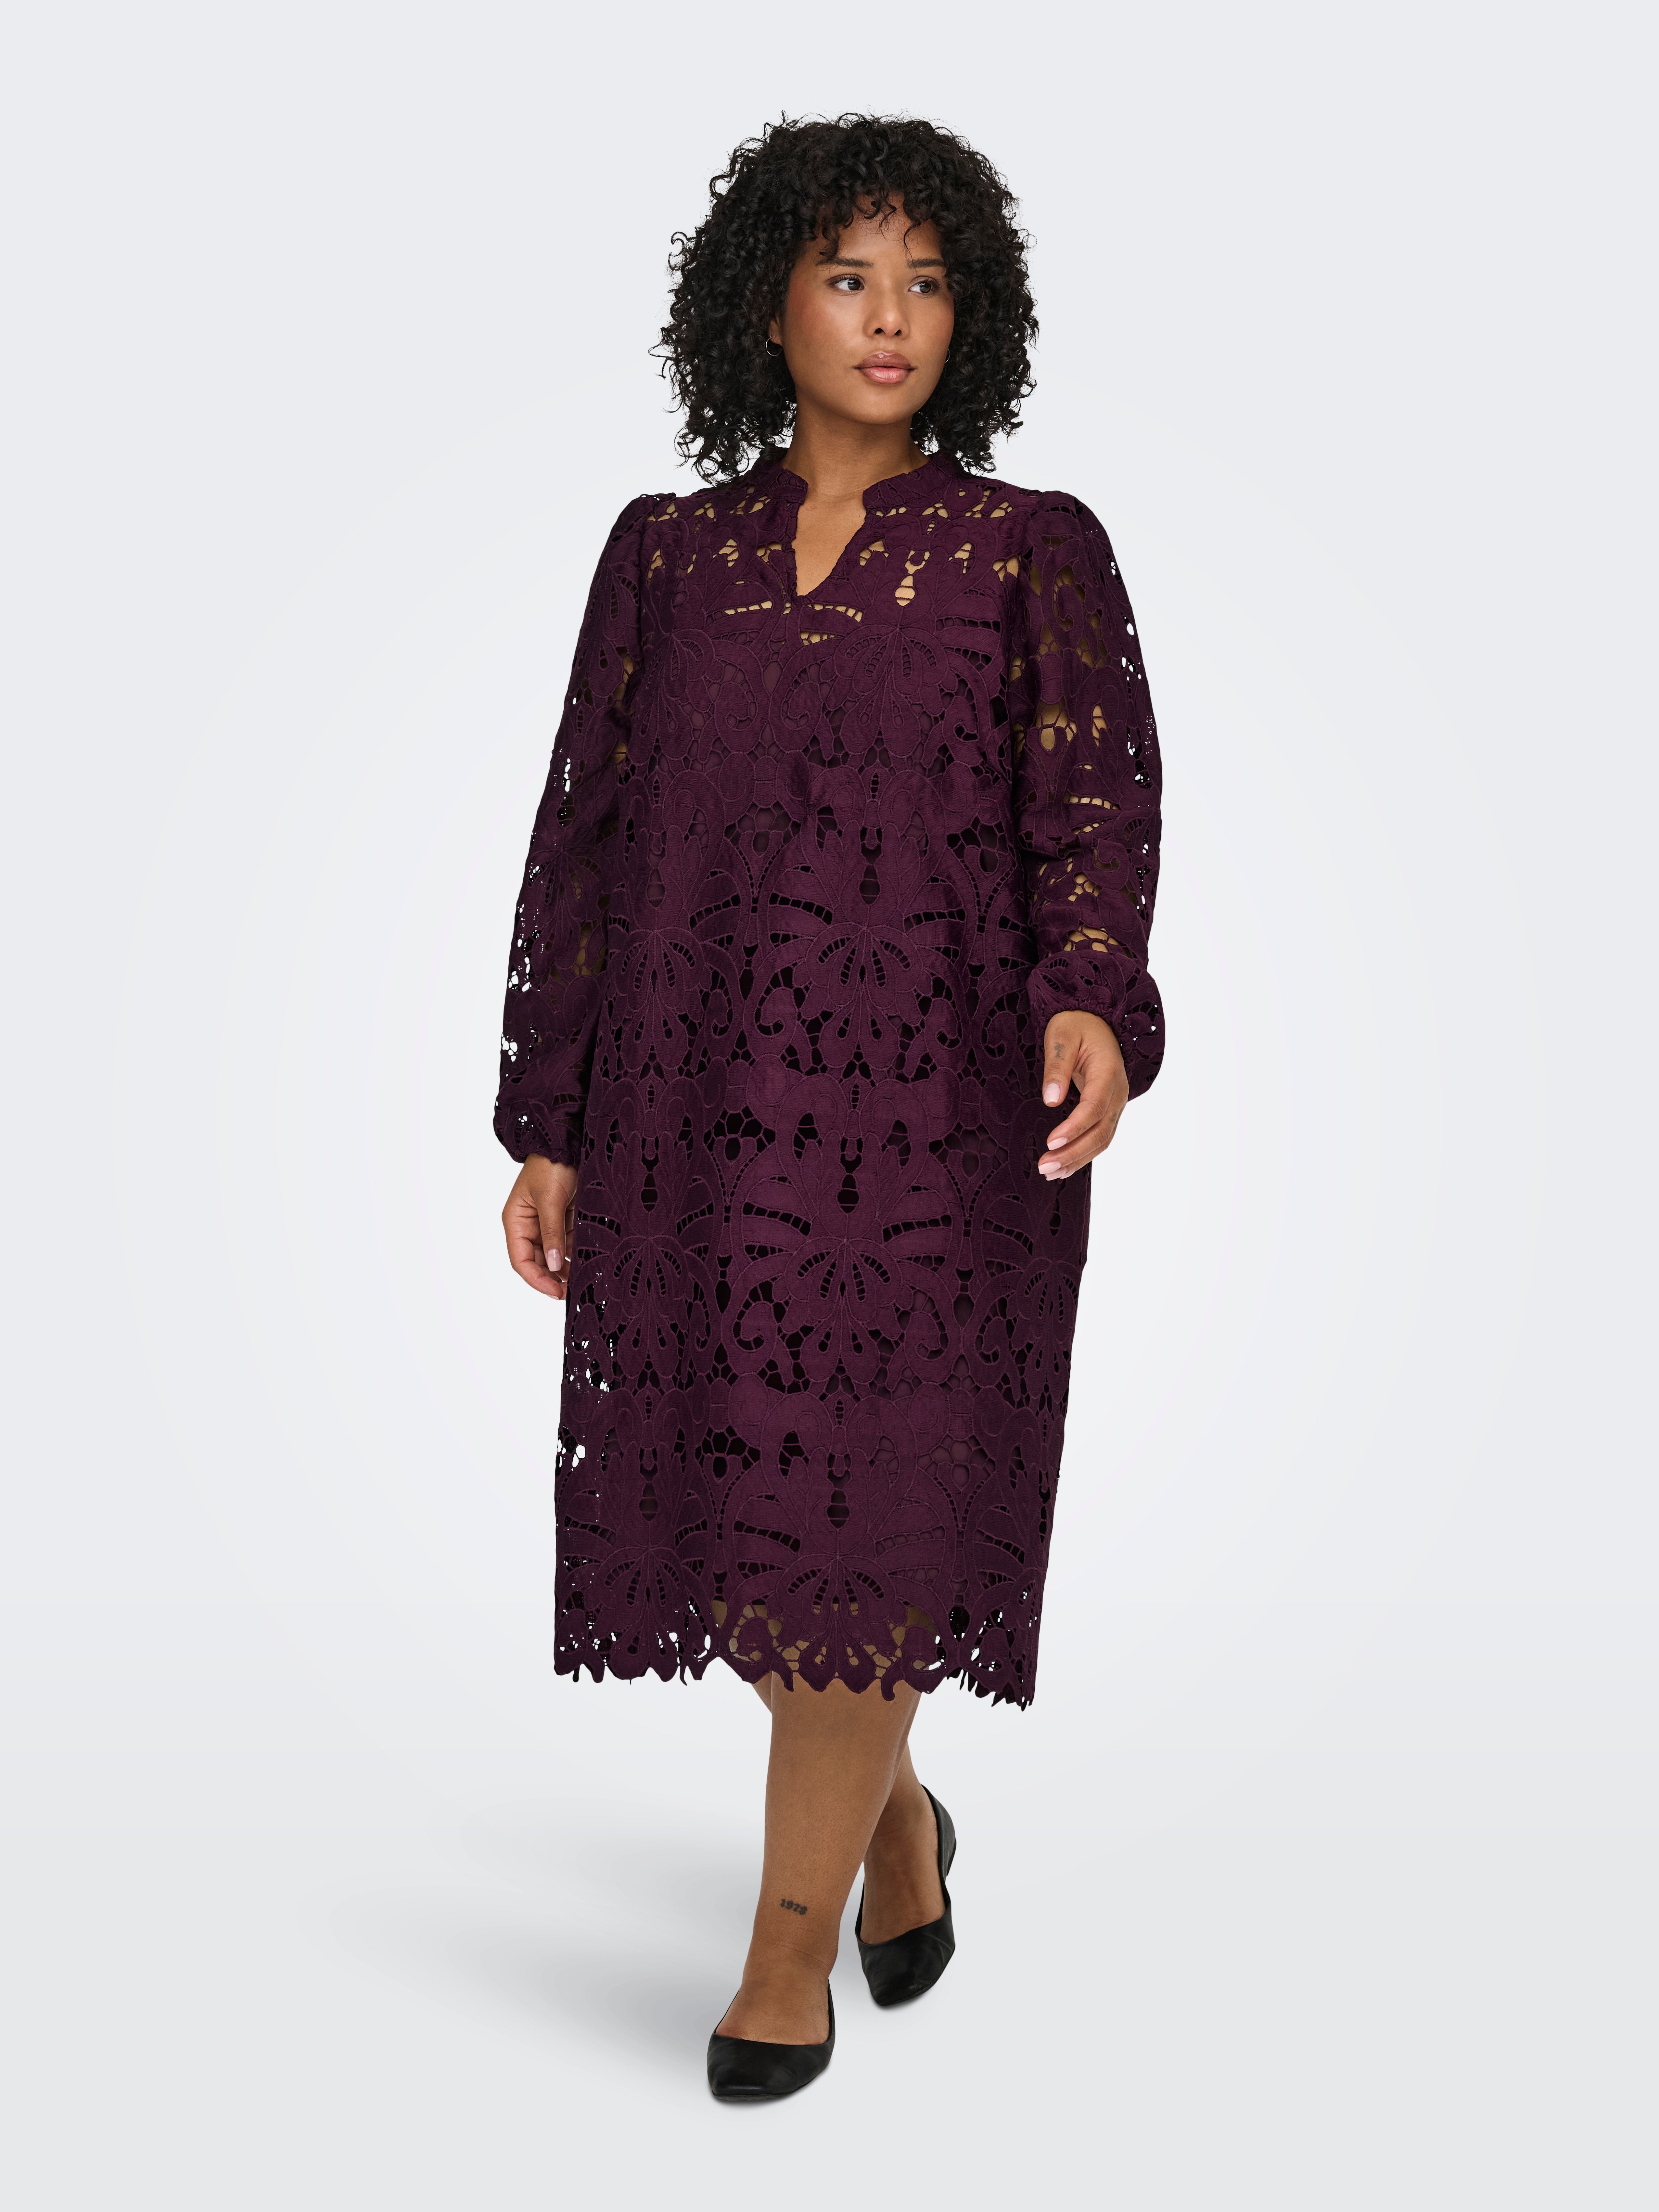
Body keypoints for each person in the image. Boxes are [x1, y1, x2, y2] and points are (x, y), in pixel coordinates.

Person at [494, 114, 1165, 2101]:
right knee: (740, 1536)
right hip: (697, 1109)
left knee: (864, 1536)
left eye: (927, 281)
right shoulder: (664, 557)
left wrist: (1093, 1004)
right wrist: (552, 1118)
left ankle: (782, 1955)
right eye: (849, 275)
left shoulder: (1028, 549)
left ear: (976, 314)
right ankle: (894, 1831)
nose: (890, 317)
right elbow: (582, 840)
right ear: (764, 305)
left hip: (941, 1127)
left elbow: (1096, 808)